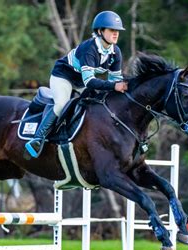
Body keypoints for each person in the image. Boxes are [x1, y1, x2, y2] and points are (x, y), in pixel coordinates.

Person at [25, 10, 129, 158]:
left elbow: (115, 80)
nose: (116, 34)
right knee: (61, 105)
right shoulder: (90, 49)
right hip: (63, 76)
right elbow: (91, 81)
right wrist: (114, 86)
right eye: (112, 30)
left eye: (117, 31)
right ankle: (37, 139)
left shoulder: (115, 52)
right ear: (100, 31)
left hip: (81, 81)